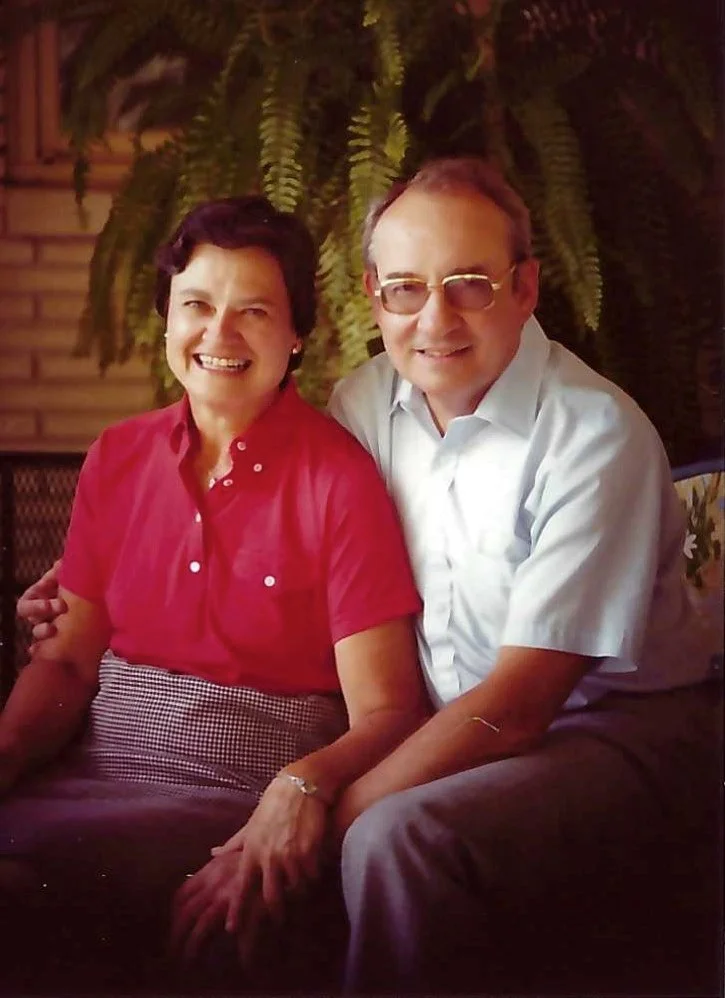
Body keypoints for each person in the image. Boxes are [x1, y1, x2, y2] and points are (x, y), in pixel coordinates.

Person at [18, 158, 721, 996]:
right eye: (404, 288)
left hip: (603, 727)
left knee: (393, 838)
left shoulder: (591, 436)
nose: (435, 318)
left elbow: (520, 705)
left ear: (525, 287)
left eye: (468, 284)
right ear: (371, 295)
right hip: (452, 724)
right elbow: (271, 507)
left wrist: (307, 809)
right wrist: (106, 571)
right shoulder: (365, 404)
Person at [2, 195, 426, 994]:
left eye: (253, 311)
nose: (219, 335)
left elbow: (389, 712)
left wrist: (298, 791)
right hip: (89, 775)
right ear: (167, 318)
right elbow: (65, 666)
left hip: (232, 801)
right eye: (196, 305)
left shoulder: (339, 481)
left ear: (297, 334)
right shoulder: (117, 457)